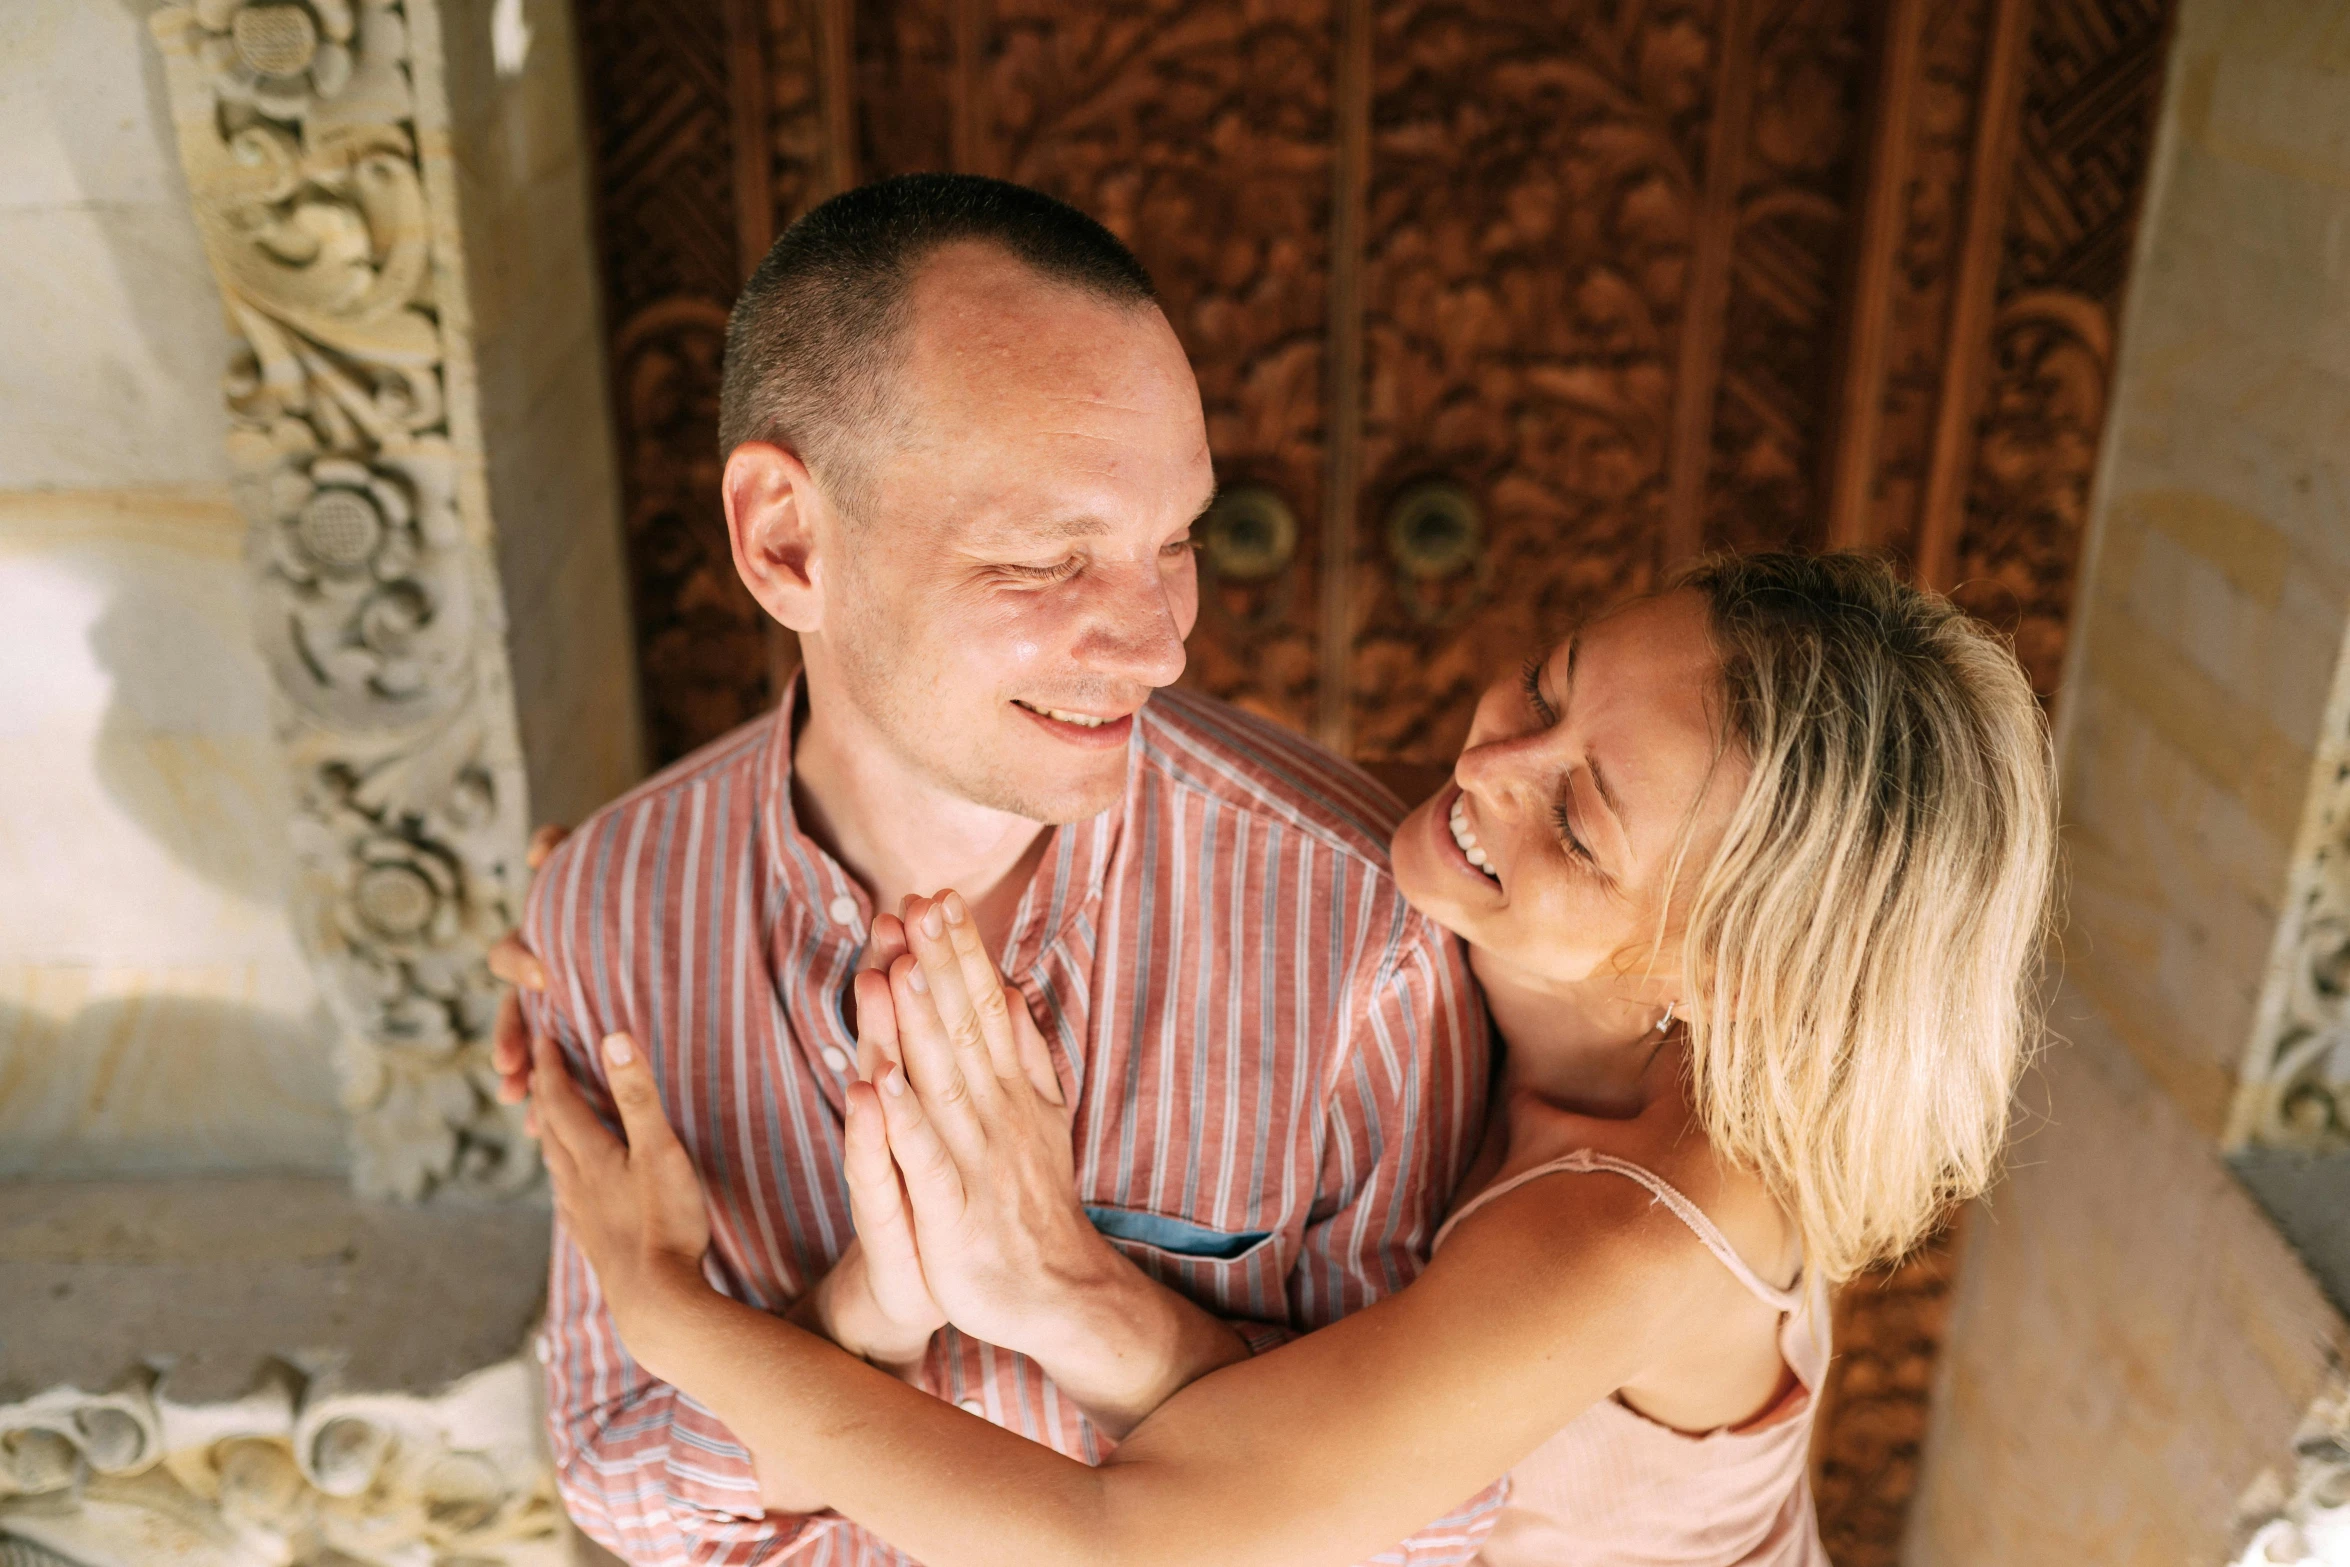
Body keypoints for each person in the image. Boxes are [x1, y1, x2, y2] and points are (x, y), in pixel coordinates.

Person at [520, 550, 2059, 1566]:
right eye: (1545, 681)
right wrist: (642, 906)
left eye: (1581, 814)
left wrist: (671, 1312)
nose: (1488, 767)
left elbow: (1122, 1541)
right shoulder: (1457, 904)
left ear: (1731, 966)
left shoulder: (1630, 1232)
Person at [501, 172, 1498, 1564]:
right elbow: (615, 1479)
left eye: (1175, 543)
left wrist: (1078, 1297)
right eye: (1046, 558)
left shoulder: (1358, 930)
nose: (1160, 645)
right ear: (786, 540)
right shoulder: (611, 904)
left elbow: (1435, 1533)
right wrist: (857, 1318)